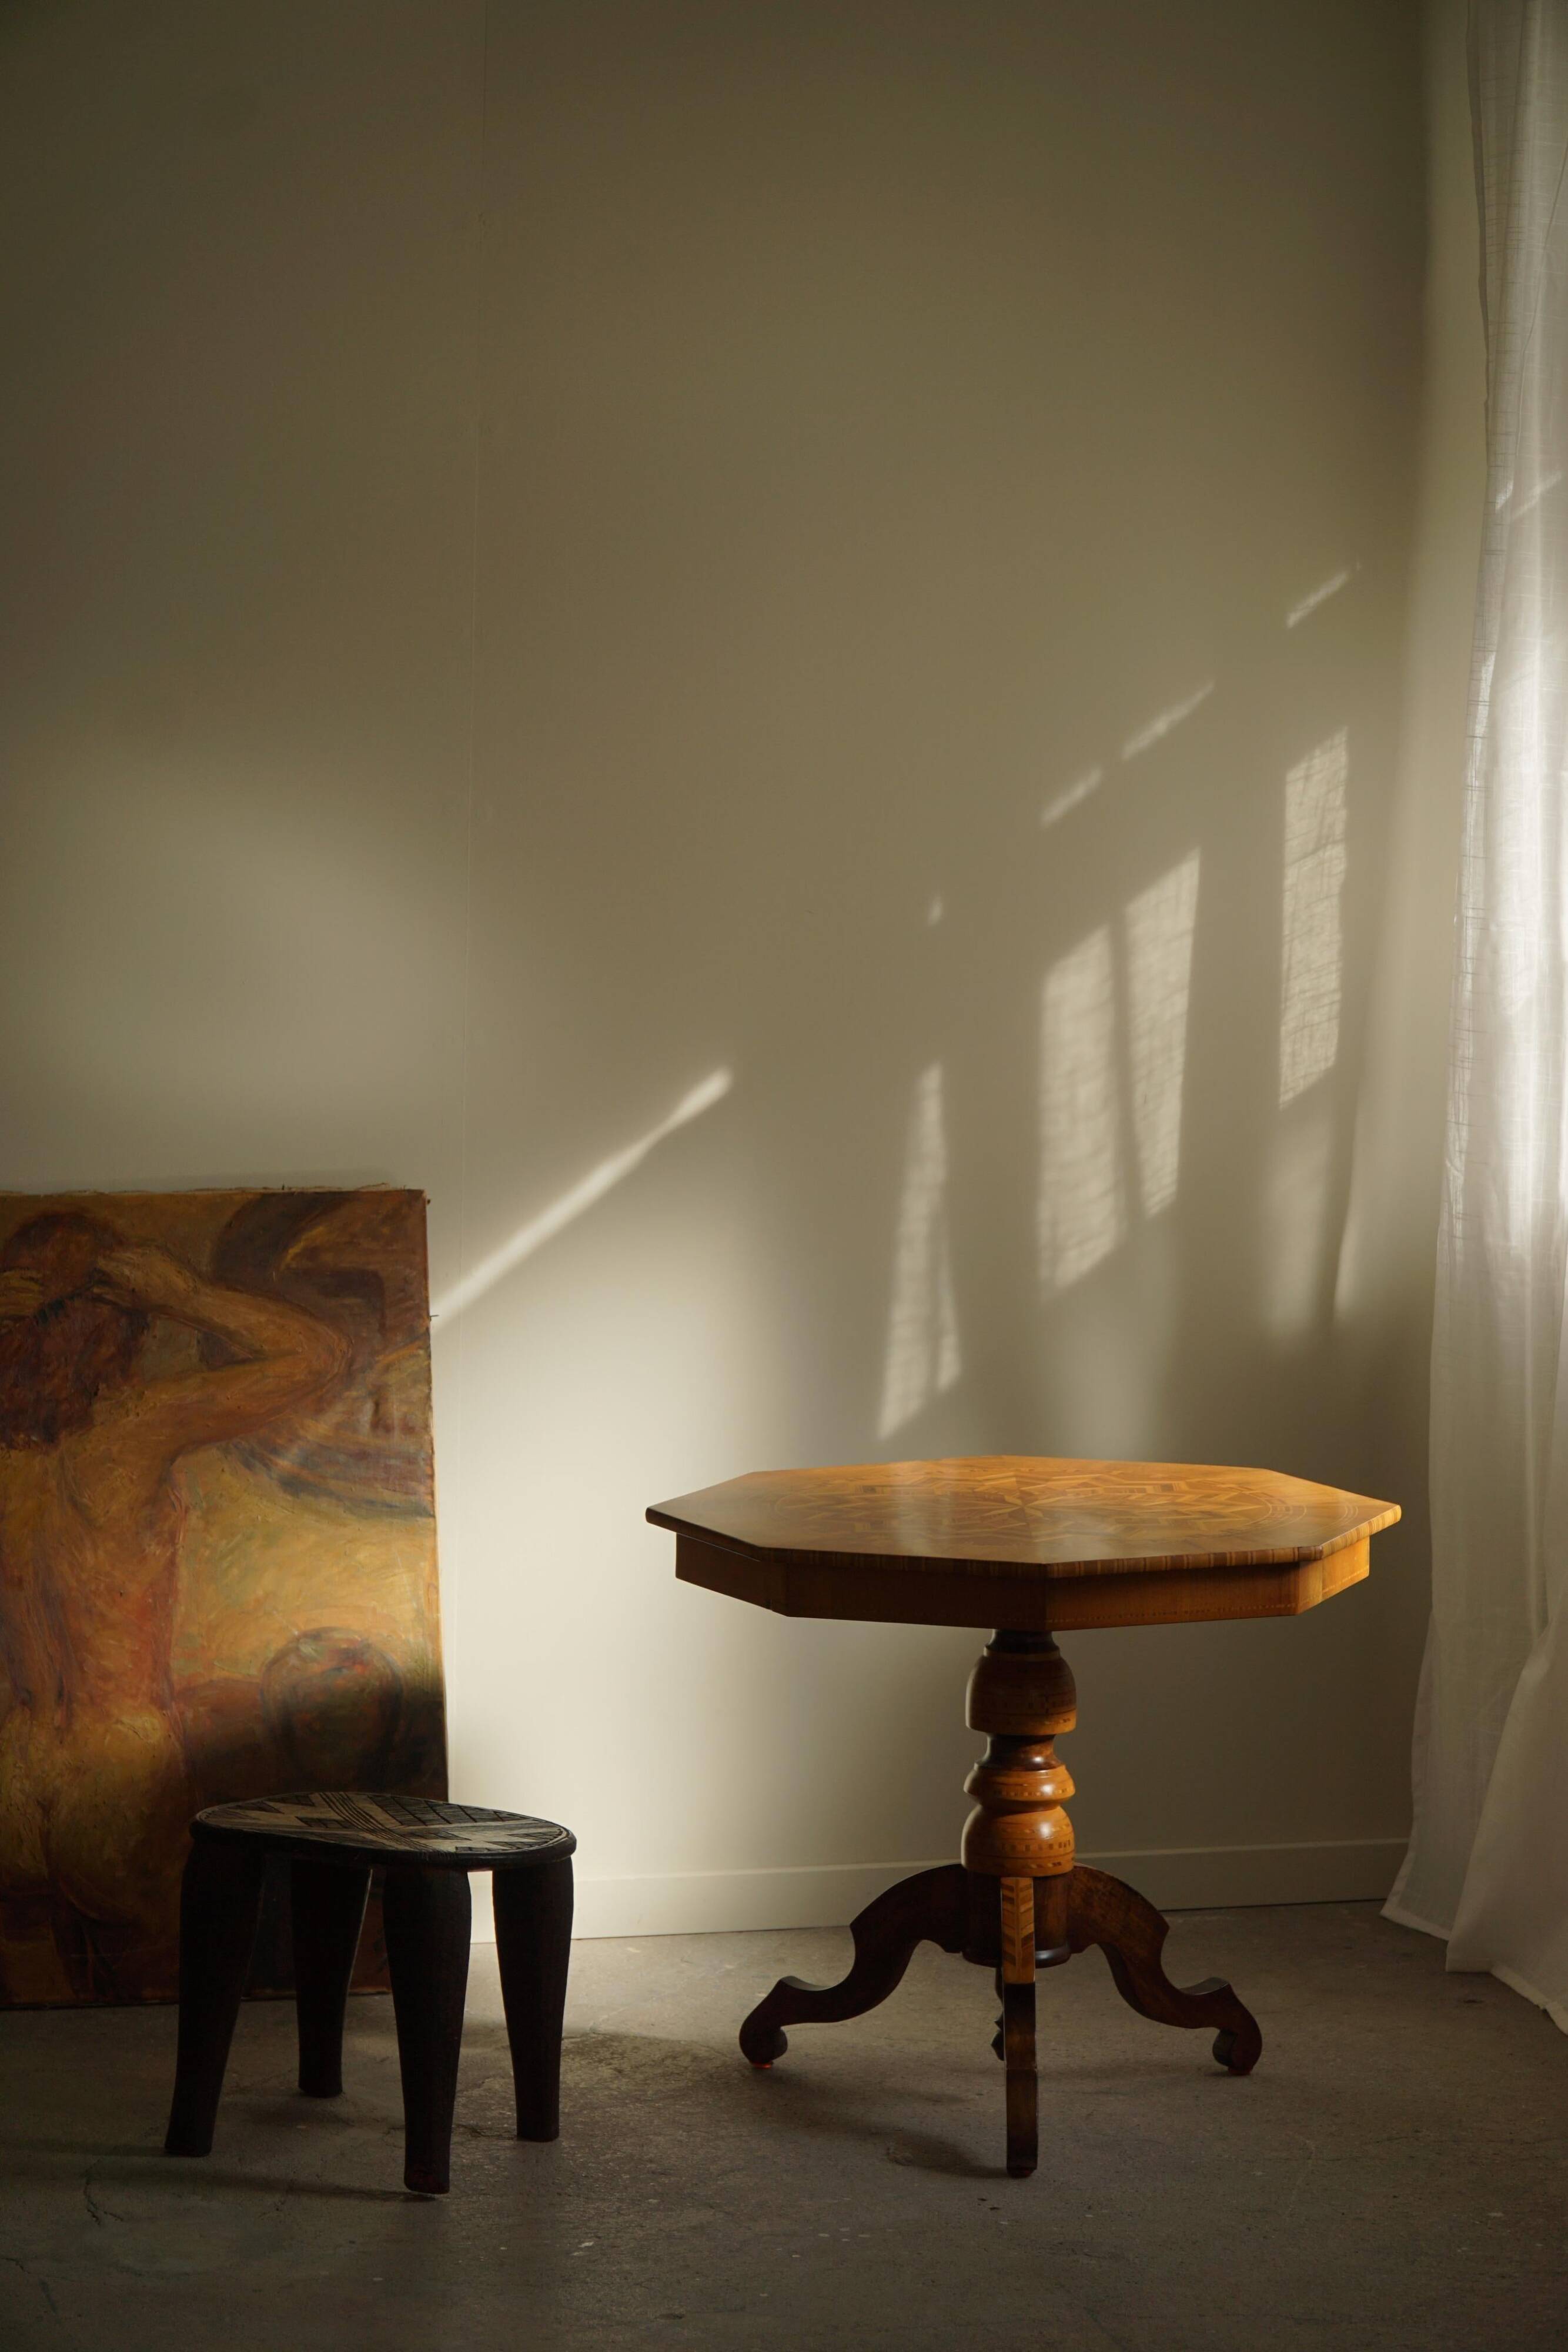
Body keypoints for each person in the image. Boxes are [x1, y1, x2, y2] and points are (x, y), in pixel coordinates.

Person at [0, 1211, 349, 2000]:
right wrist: (189, 1294)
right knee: (159, 2023)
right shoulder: (133, 1431)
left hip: (13, 1770)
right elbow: (320, 1356)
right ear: (120, 1326)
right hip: (117, 1773)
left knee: (38, 2036)